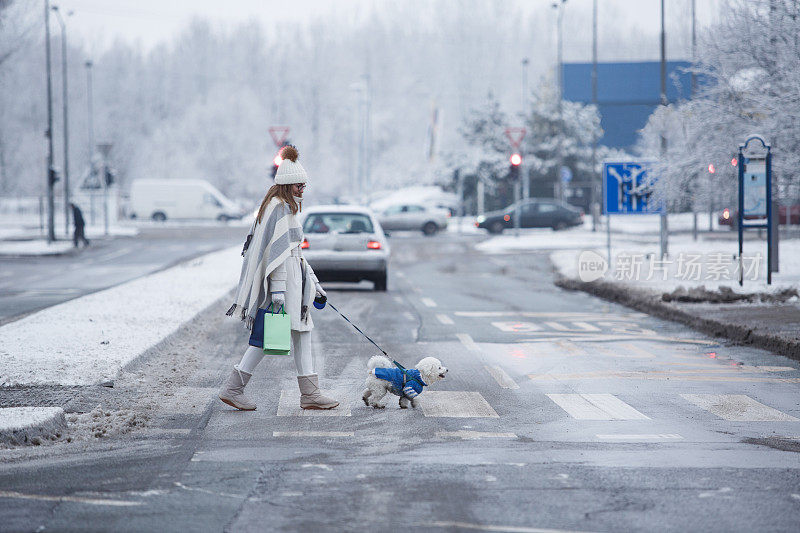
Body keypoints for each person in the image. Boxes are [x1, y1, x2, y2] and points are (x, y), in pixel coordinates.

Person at [219, 145, 339, 411]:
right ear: (287, 184)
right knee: (268, 337)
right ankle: (234, 388)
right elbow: (277, 257)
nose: (302, 189)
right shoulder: (280, 209)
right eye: (299, 185)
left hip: (296, 287)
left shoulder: (285, 207)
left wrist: (316, 286)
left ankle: (308, 393)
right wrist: (279, 292)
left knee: (293, 335)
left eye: (304, 185)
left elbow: (296, 255)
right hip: (286, 289)